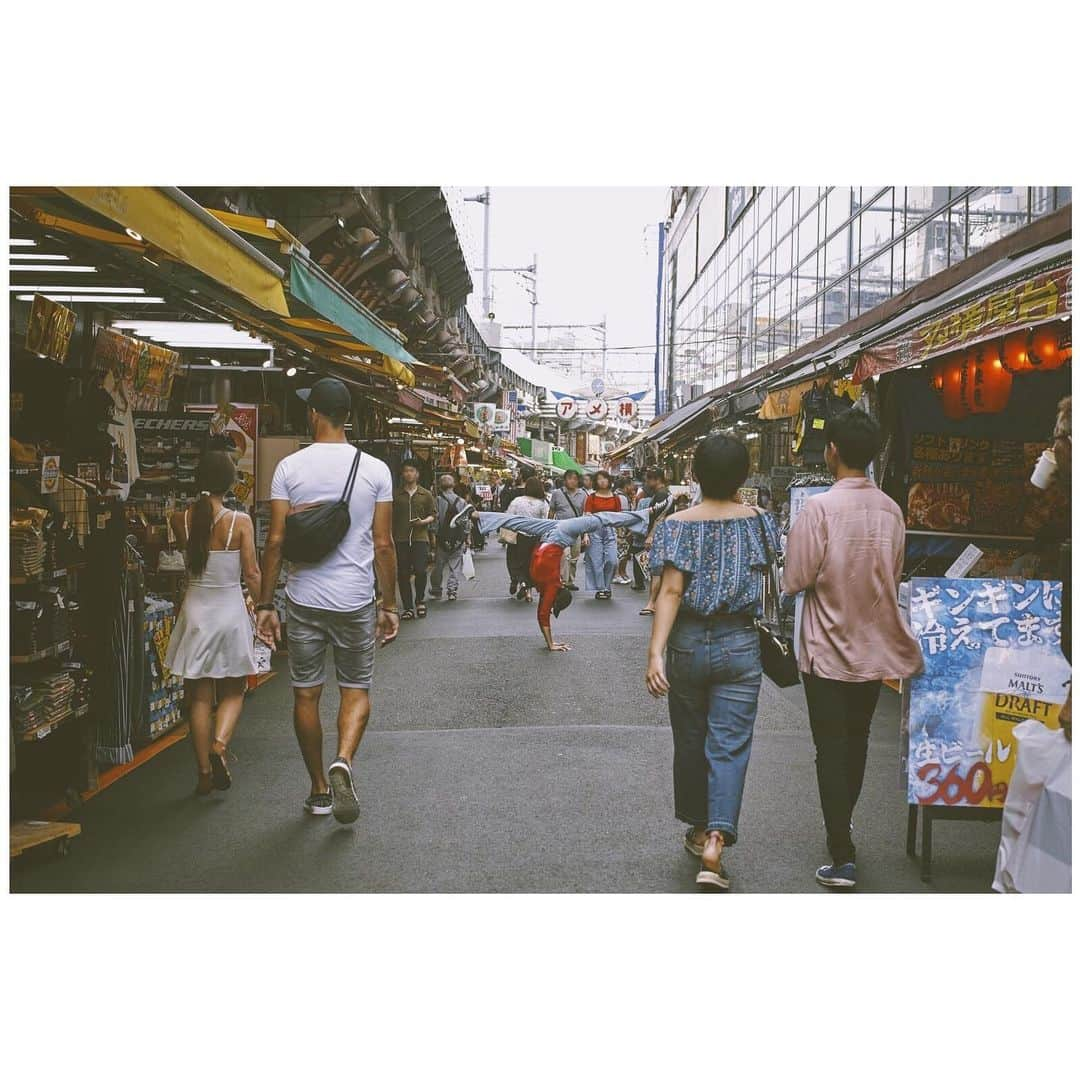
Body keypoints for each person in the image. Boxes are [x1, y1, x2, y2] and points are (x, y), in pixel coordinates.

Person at [783, 409, 924, 890]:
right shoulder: (890, 509)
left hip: (825, 649)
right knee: (858, 738)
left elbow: (795, 579)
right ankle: (842, 834)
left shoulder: (818, 509)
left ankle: (842, 850)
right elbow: (895, 569)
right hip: (875, 645)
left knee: (830, 746)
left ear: (832, 452)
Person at [257, 377, 399, 825]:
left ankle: (318, 789)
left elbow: (276, 540)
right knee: (355, 688)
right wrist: (389, 604)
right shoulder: (376, 470)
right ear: (349, 418)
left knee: (306, 692)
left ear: (314, 414)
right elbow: (383, 543)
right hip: (355, 597)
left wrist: (265, 603)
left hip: (303, 597)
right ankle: (344, 760)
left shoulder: (289, 468)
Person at [645, 435, 781, 891]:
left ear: (695, 475)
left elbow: (671, 591)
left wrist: (655, 652)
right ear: (743, 476)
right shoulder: (761, 522)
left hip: (685, 641)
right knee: (729, 745)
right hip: (740, 641)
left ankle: (699, 825)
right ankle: (716, 844)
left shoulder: (676, 525)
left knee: (690, 739)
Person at [166, 452, 261, 796]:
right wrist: (264, 606)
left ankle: (204, 774)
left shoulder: (181, 519)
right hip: (229, 609)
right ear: (231, 482)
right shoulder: (241, 521)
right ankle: (219, 746)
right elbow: (251, 572)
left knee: (200, 697)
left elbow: (191, 559)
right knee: (235, 689)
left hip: (195, 609)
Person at [470, 505, 660, 651]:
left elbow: (543, 616)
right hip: (553, 536)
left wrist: (551, 643)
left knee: (517, 520)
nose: (551, 607)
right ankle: (648, 512)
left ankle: (476, 515)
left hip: (554, 534)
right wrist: (551, 643)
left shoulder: (551, 586)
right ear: (556, 598)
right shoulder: (547, 588)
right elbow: (542, 616)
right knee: (601, 519)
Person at [392, 459, 436, 620]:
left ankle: (420, 600)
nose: (409, 473)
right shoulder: (396, 495)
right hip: (401, 539)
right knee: (403, 574)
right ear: (402, 474)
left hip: (420, 538)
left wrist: (423, 522)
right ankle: (408, 607)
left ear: (417, 474)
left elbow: (433, 514)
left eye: (412, 470)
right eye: (406, 471)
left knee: (420, 570)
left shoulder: (425, 494)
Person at [506, 476, 549, 601]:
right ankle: (528, 591)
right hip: (535, 536)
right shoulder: (542, 503)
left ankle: (517, 580)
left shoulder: (517, 501)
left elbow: (509, 516)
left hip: (518, 535)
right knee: (530, 564)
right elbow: (546, 520)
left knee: (514, 560)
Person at [430, 473, 470, 602]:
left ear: (440, 486)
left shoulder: (436, 501)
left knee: (438, 566)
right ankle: (452, 590)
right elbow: (466, 522)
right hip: (458, 539)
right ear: (453, 485)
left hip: (442, 539)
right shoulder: (462, 502)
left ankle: (436, 589)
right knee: (455, 566)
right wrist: (467, 537)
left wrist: (433, 538)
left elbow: (435, 521)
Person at [583, 470, 622, 599]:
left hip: (610, 530)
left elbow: (619, 517)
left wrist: (621, 533)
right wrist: (585, 535)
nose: (602, 481)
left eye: (605, 478)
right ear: (596, 482)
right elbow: (587, 518)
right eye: (599, 479)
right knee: (596, 561)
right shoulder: (591, 497)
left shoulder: (616, 498)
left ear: (609, 480)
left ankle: (606, 585)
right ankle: (602, 588)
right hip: (594, 530)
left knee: (612, 560)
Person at [548, 468, 588, 591]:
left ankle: (570, 581)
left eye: (575, 479)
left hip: (576, 530)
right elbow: (552, 511)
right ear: (565, 480)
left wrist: (585, 534)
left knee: (574, 557)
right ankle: (562, 581)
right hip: (561, 529)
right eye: (569, 478)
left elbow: (585, 514)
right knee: (564, 555)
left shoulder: (583, 494)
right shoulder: (557, 493)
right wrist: (549, 527)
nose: (572, 481)